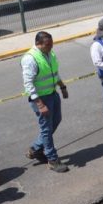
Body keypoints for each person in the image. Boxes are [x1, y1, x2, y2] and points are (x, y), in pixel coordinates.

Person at [22, 31, 69, 173]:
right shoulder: (30, 59)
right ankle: (52, 159)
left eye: (52, 44)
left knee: (56, 120)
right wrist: (40, 104)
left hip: (52, 94)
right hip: (41, 99)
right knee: (46, 129)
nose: (51, 47)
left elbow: (54, 72)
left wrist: (62, 86)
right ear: (38, 44)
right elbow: (28, 84)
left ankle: (35, 149)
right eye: (48, 45)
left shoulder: (50, 53)